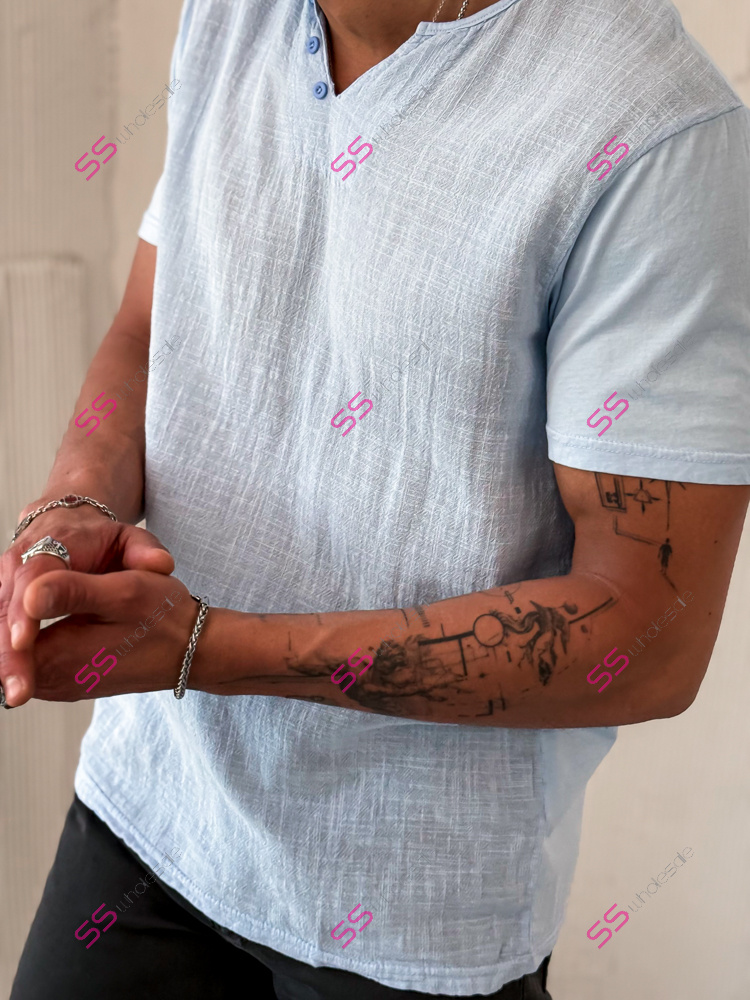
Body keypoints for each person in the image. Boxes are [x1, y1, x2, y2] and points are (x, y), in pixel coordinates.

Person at [3, 0, 749, 996]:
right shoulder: (231, 14)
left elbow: (649, 634)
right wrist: (71, 509)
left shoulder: (653, 124)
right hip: (153, 811)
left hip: (409, 911)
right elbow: (151, 323)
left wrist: (200, 647)